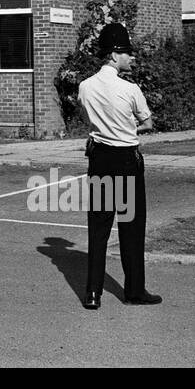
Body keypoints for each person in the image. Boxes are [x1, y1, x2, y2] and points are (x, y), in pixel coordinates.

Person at [76, 22, 161, 310]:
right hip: (126, 159)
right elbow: (147, 122)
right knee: (131, 227)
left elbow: (87, 117)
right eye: (126, 53)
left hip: (99, 159)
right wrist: (128, 125)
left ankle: (92, 293)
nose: (130, 57)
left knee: (98, 228)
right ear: (114, 55)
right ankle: (134, 290)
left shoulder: (85, 86)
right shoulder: (130, 88)